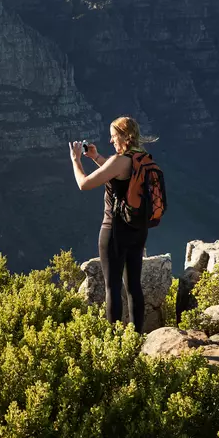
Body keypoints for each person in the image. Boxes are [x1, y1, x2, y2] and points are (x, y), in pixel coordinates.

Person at [69, 116, 154, 332]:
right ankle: (136, 338)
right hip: (138, 229)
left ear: (126, 136)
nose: (111, 140)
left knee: (112, 287)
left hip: (115, 231)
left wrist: (76, 160)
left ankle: (115, 342)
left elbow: (84, 184)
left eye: (114, 136)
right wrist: (96, 157)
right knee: (134, 285)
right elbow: (119, 176)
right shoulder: (142, 158)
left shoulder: (119, 160)